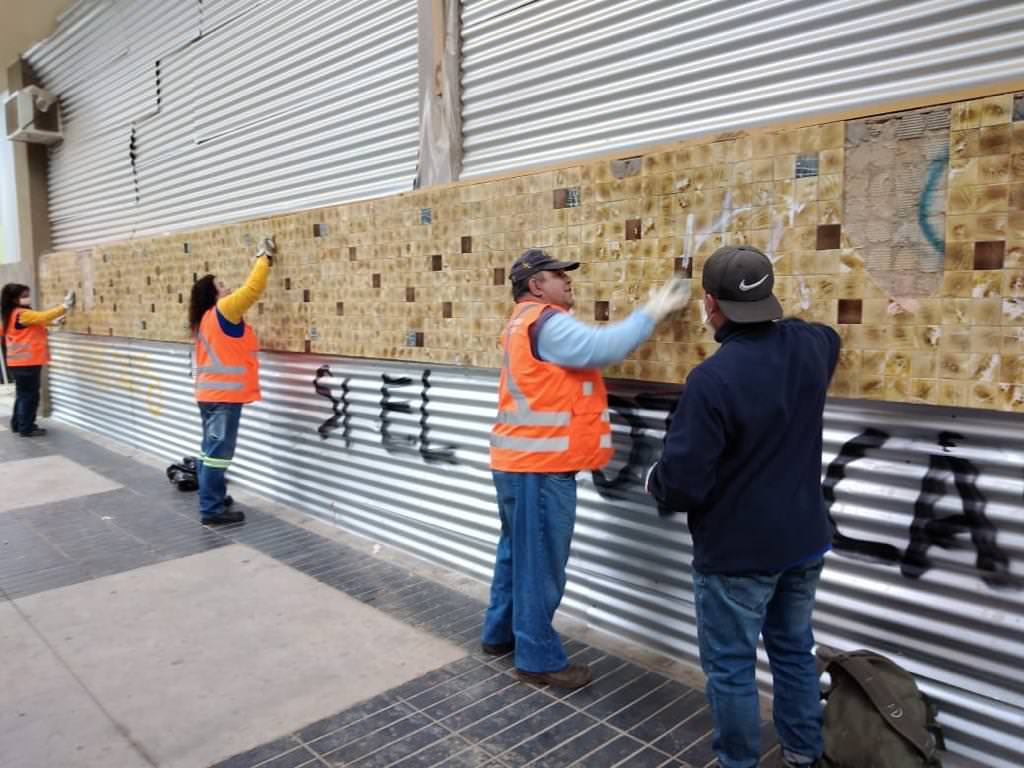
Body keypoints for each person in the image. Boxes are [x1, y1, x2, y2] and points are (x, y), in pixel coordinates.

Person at [645, 245, 840, 768]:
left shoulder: (712, 380)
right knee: (794, 651)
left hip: (737, 554)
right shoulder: (811, 346)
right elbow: (829, 334)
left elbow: (683, 483)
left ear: (711, 304)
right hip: (803, 540)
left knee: (731, 667)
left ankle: (738, 763)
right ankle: (804, 753)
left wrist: (652, 480)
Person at [482, 247, 691, 689]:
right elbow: (602, 348)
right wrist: (652, 311)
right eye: (558, 275)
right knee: (540, 564)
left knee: (516, 553)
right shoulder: (546, 320)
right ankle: (537, 658)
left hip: (517, 461)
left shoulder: (522, 322)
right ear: (536, 285)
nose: (567, 280)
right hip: (539, 466)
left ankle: (499, 634)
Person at [188, 236, 276, 525]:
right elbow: (252, 289)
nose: (226, 287)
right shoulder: (223, 310)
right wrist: (263, 258)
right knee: (218, 454)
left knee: (209, 450)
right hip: (222, 398)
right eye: (221, 285)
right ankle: (211, 509)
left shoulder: (205, 319)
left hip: (210, 396)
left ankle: (213, 496)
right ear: (215, 295)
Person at [2, 283, 75, 437]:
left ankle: (18, 424)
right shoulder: (21, 313)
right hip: (28, 363)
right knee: (30, 396)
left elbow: (34, 322)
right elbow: (41, 317)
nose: (27, 298)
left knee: (23, 395)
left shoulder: (10, 314)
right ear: (14, 299)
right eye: (23, 296)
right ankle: (27, 427)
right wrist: (64, 306)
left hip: (17, 362)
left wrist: (53, 322)